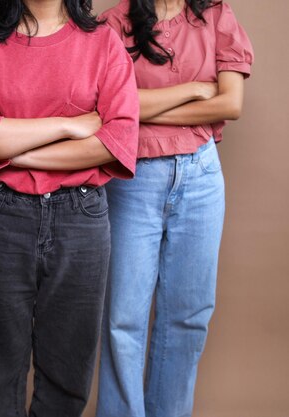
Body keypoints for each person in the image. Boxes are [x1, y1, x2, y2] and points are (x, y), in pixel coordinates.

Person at [0, 0, 139, 415]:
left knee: (68, 372)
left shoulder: (104, 44)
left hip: (82, 219)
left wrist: (7, 150)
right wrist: (67, 126)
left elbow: (115, 141)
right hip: (2, 218)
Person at [97, 1, 253, 416]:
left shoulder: (217, 15)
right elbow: (111, 109)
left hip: (201, 174)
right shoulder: (115, 22)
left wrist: (147, 105)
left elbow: (230, 104)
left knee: (189, 314)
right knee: (122, 319)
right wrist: (191, 90)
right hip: (134, 177)